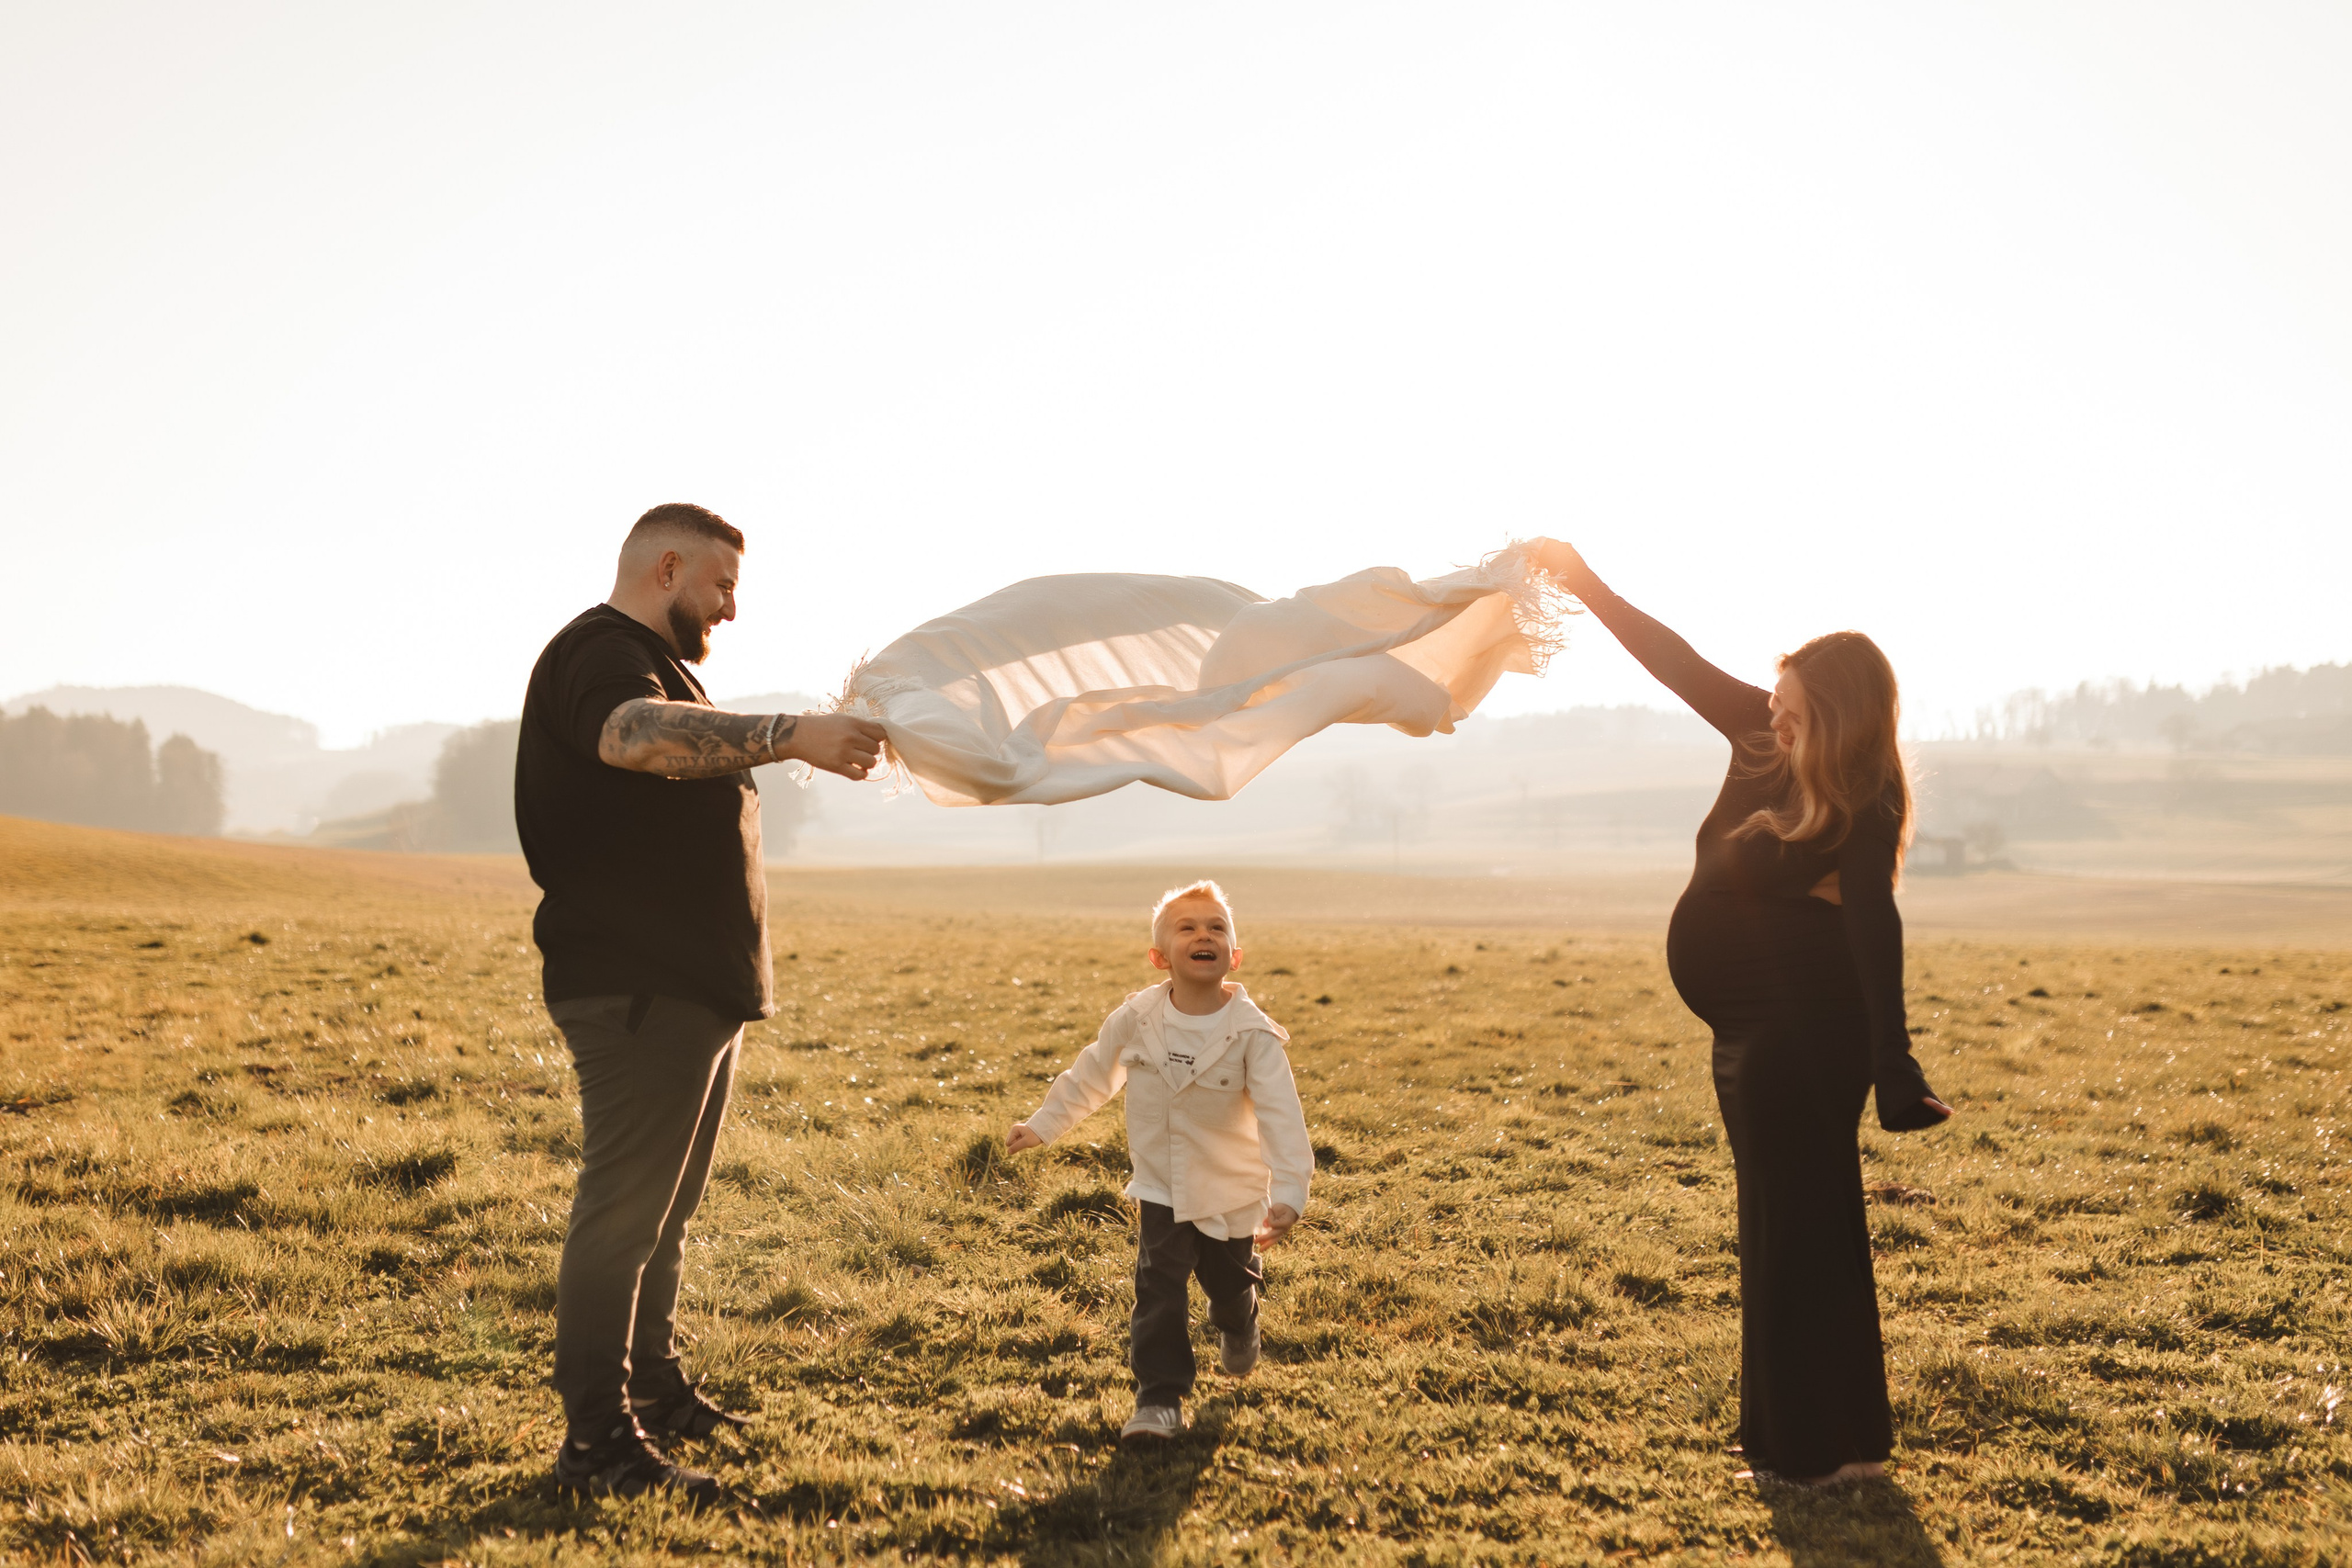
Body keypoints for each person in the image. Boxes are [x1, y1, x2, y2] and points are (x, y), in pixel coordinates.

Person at [1529, 539, 1952, 1488]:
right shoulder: (1761, 741)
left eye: (1792, 707)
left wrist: (1894, 1060)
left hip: (1804, 1033)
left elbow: (1873, 925)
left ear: (1835, 714)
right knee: (1780, 1221)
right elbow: (1671, 659)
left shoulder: (1861, 802)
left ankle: (1811, 1452)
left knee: (1797, 1226)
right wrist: (1581, 581)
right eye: (1772, 701)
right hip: (1749, 1033)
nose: (1771, 716)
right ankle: (1810, 1443)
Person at [515, 502, 886, 1501]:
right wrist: (788, 733)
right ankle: (597, 1446)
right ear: (667, 567)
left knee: (665, 1215)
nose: (729, 608)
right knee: (623, 1216)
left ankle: (657, 1391)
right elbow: (631, 738)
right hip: (635, 985)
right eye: (720, 586)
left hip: (689, 989)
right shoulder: (601, 653)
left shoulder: (662, 665)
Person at [1005, 880, 1314, 1447]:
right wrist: (1044, 1124)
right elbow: (1092, 1074)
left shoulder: (1253, 1035)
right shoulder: (1137, 1018)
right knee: (1158, 1285)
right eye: (1188, 927)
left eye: (1217, 928)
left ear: (1234, 955)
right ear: (1160, 956)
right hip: (1161, 1183)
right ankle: (1159, 1400)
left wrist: (1289, 1193)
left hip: (1231, 1188)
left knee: (1227, 1282)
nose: (1204, 935)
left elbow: (1280, 1116)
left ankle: (1239, 1318)